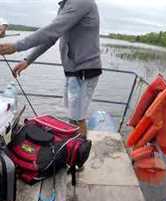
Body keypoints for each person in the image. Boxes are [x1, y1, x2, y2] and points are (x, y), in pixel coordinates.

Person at [0, 0, 102, 137]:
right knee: (73, 116)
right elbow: (51, 37)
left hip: (85, 70)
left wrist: (16, 46)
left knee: (78, 117)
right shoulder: (66, 5)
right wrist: (28, 60)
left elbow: (52, 30)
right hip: (73, 70)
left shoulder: (80, 2)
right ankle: (74, 149)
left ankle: (80, 151)